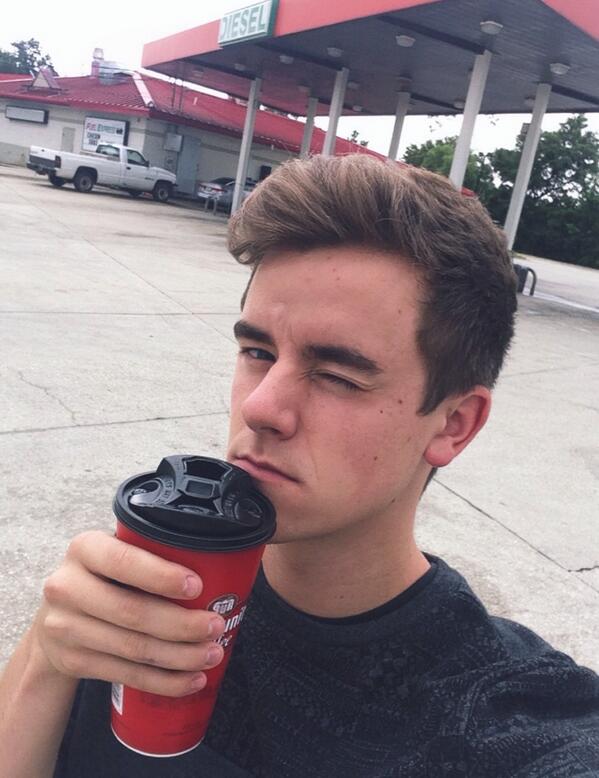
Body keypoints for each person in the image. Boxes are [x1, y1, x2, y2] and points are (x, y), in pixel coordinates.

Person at [1, 155, 598, 778]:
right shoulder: (152, 586)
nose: (260, 407)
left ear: (454, 424)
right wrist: (47, 654)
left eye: (338, 376)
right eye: (257, 351)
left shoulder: (503, 721)